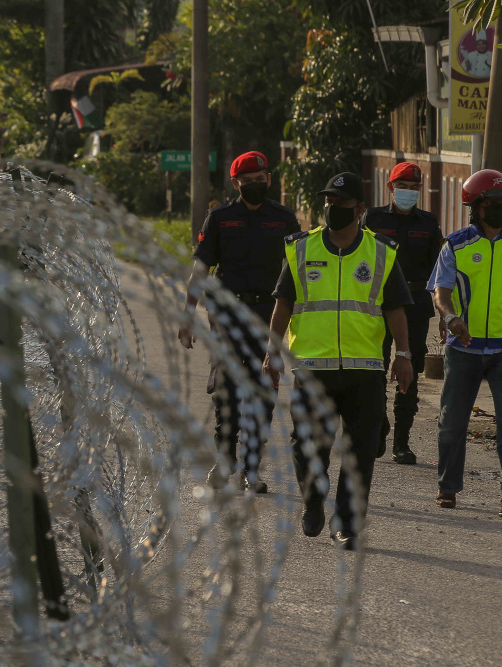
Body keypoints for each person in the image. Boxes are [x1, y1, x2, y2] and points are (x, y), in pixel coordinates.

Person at [262, 172, 414, 550]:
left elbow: (395, 308)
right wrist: (272, 352)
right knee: (309, 445)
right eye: (328, 203)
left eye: (341, 204)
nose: (332, 210)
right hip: (313, 369)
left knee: (361, 453)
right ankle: (313, 499)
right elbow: (283, 303)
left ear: (360, 209)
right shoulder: (302, 249)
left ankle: (346, 522)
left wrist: (404, 356)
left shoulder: (380, 252)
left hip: (366, 370)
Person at [178, 151, 300, 493]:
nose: (254, 187)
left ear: (269, 180)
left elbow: (299, 272)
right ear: (236, 184)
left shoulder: (284, 220)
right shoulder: (220, 218)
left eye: (260, 181)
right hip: (228, 316)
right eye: (247, 182)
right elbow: (201, 269)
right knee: (227, 391)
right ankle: (225, 458)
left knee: (264, 390)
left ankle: (251, 468)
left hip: (269, 317)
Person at [428, 169, 502, 518]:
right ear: (475, 207)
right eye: (493, 203)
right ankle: (448, 487)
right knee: (453, 421)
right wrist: (451, 319)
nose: (501, 209)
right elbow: (440, 292)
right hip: (464, 349)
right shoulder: (455, 245)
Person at [363, 162, 443, 464]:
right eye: (402, 187)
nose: (408, 193)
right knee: (375, 368)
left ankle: (402, 442)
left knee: (409, 370)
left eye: (413, 188)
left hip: (415, 303)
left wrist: (446, 309)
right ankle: (379, 427)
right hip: (377, 303)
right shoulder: (373, 218)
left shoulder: (429, 223)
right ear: (390, 188)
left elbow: (439, 269)